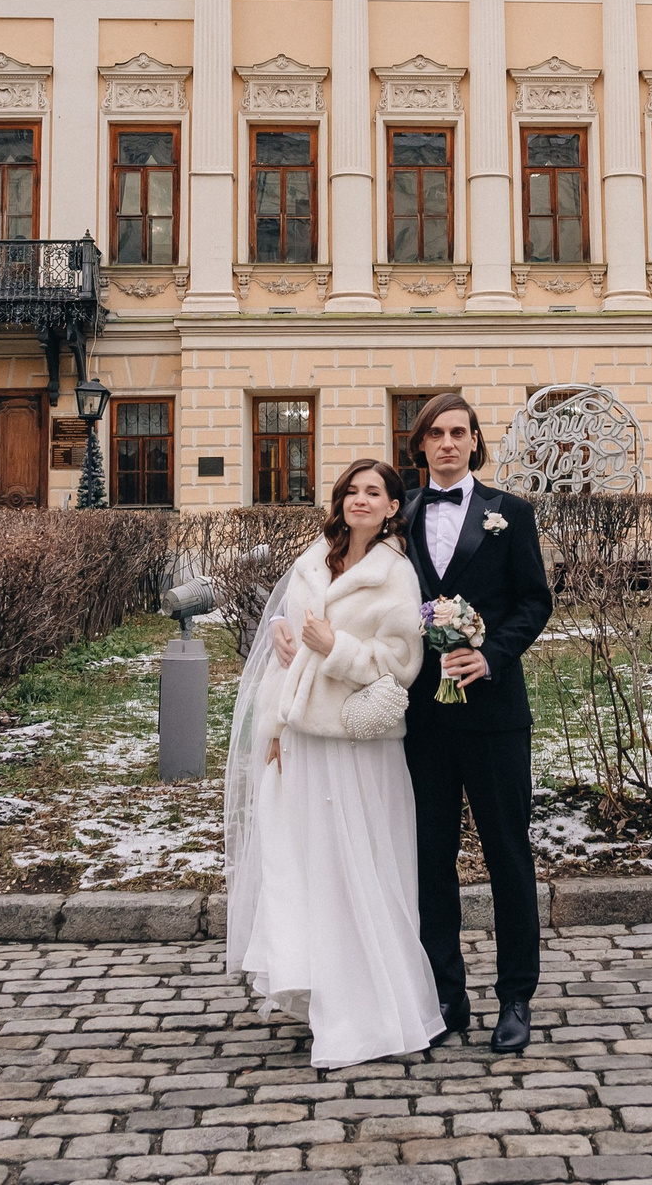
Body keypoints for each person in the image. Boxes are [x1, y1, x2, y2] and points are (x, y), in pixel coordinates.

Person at [224, 459, 445, 1068]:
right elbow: (285, 657)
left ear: (393, 506)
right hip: (303, 738)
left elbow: (401, 664)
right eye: (352, 491)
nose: (361, 500)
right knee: (312, 865)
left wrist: (335, 648)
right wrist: (275, 717)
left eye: (374, 492)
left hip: (357, 745)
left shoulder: (394, 574)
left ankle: (372, 1008)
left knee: (361, 868)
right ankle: (322, 991)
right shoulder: (311, 561)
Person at [398, 392, 552, 1054]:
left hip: (494, 715)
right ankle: (445, 991)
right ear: (420, 444)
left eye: (458, 432)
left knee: (507, 854)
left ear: (475, 439)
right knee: (430, 858)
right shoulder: (398, 517)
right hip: (420, 718)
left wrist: (489, 656)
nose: (447, 442)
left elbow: (534, 600)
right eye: (435, 432)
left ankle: (516, 996)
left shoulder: (509, 514)